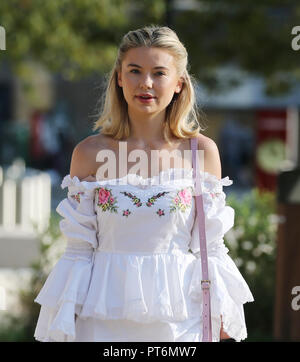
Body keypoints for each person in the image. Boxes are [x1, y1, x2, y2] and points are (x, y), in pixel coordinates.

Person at [33, 25, 254, 342]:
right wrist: (64, 324)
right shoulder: (90, 153)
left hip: (180, 323)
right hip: (102, 320)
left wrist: (224, 322)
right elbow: (79, 252)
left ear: (179, 83)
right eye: (134, 71)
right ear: (119, 78)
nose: (145, 83)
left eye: (159, 73)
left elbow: (212, 249)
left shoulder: (201, 152)